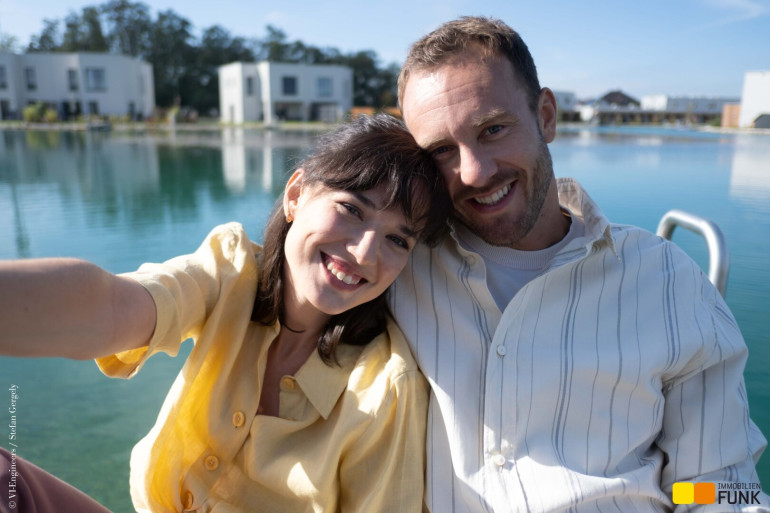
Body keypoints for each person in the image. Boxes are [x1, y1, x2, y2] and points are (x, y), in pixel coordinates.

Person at [389, 16, 770, 513]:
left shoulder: (670, 283)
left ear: (546, 116)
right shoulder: (393, 268)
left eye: (494, 129)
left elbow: (721, 487)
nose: (476, 172)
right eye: (442, 150)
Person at [0, 114, 450, 513]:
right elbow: (113, 307)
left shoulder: (386, 386)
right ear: (296, 194)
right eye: (352, 209)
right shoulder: (231, 272)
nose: (365, 253)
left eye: (398, 240)